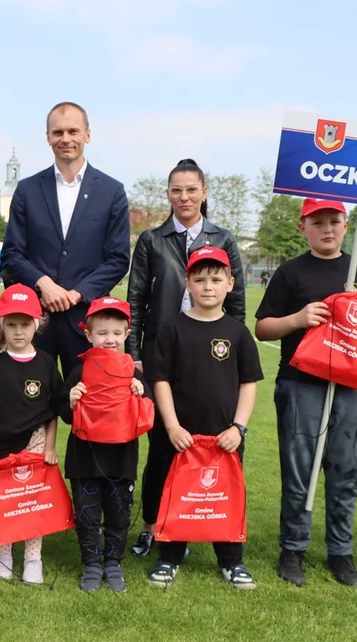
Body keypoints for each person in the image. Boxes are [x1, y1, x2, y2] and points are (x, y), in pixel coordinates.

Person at [254, 198, 357, 588]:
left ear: (347, 225)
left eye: (334, 221)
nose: (327, 229)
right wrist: (299, 319)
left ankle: (341, 552)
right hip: (301, 386)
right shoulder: (290, 272)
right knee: (300, 470)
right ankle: (293, 548)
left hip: (350, 388)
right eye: (318, 222)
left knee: (346, 469)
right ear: (303, 228)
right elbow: (262, 327)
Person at [125, 157, 247, 558]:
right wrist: (136, 357)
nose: (184, 197)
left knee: (211, 445)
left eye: (191, 189)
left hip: (209, 357)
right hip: (162, 357)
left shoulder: (223, 239)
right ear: (168, 194)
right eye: (176, 190)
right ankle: (152, 526)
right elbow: (137, 301)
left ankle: (206, 522)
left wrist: (228, 357)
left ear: (204, 192)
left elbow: (239, 307)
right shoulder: (152, 240)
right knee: (162, 447)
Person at [147, 247, 263, 590]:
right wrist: (171, 425)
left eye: (215, 279)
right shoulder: (173, 329)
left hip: (225, 437)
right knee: (177, 496)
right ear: (188, 284)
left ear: (230, 283)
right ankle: (169, 558)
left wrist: (239, 427)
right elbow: (161, 381)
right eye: (199, 280)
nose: (207, 286)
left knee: (225, 496)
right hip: (181, 436)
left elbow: (249, 383)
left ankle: (232, 561)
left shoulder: (238, 332)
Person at [0, 102, 131, 378]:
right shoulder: (27, 190)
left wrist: (77, 293)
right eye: (58, 132)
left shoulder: (111, 191)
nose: (66, 139)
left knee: (89, 405)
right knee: (30, 404)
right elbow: (11, 255)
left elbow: (118, 258)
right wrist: (44, 284)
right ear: (48, 137)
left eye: (73, 131)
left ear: (87, 134)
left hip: (87, 322)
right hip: (37, 318)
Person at [60, 297, 149, 592]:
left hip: (121, 458)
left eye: (115, 333)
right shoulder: (80, 371)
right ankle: (92, 563)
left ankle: (113, 563)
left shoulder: (134, 374)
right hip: (84, 458)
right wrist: (70, 399)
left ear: (126, 333)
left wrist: (140, 395)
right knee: (87, 513)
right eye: (102, 333)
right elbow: (62, 412)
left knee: (118, 512)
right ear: (88, 335)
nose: (109, 339)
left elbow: (148, 416)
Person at [0, 284, 61, 584]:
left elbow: (52, 412)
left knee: (31, 499)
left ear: (38, 324)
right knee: (4, 500)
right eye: (11, 324)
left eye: (25, 324)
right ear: (1, 325)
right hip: (0, 445)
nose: (18, 331)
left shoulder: (47, 364)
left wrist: (49, 446)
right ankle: (4, 554)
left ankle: (33, 558)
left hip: (35, 442)